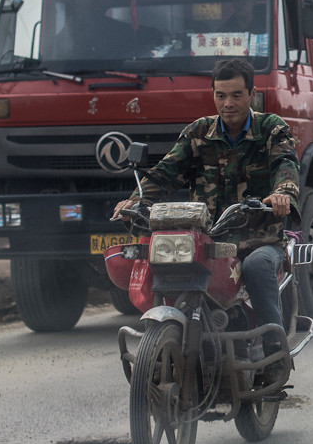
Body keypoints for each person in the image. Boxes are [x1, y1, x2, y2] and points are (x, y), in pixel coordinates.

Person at [113, 57, 300, 382]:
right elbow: (164, 174)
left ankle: (274, 352)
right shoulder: (198, 133)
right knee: (168, 265)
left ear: (252, 94)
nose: (228, 103)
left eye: (237, 95)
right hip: (208, 239)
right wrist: (135, 200)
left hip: (258, 239)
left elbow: (286, 163)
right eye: (221, 95)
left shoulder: (271, 128)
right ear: (213, 95)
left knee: (256, 266)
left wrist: (282, 193)